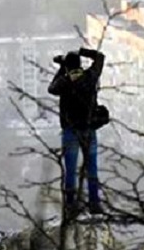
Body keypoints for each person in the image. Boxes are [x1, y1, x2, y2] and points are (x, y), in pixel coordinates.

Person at [48, 47, 106, 217]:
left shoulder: (64, 82)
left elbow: (51, 89)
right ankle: (94, 203)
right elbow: (100, 57)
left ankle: (71, 205)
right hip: (89, 130)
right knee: (92, 168)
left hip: (71, 131)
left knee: (71, 170)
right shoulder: (90, 76)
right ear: (80, 64)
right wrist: (83, 51)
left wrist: (61, 67)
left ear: (67, 67)